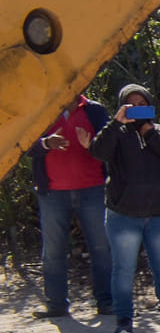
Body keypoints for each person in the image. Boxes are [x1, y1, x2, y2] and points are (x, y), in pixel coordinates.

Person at [91, 84, 160, 333]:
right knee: (123, 269)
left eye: (141, 102)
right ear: (122, 107)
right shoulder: (116, 134)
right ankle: (123, 320)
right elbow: (98, 152)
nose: (136, 108)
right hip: (123, 214)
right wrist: (116, 123)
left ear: (150, 105)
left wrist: (150, 133)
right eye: (130, 104)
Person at [31, 93, 113, 320]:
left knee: (102, 248)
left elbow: (110, 144)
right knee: (53, 251)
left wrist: (92, 144)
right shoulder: (42, 109)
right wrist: (46, 143)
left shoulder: (94, 110)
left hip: (93, 189)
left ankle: (107, 302)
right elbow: (25, 146)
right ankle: (56, 305)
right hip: (52, 192)